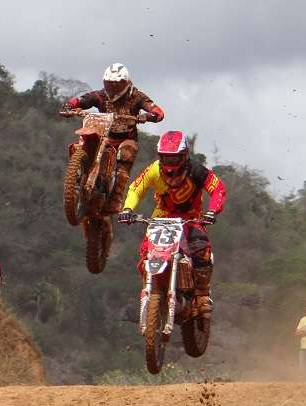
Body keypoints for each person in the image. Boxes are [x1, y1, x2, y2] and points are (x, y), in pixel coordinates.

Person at [118, 130, 226, 329]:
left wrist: (212, 211)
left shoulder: (197, 171)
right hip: (162, 217)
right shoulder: (154, 169)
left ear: (184, 155)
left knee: (201, 248)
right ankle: (153, 288)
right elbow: (136, 188)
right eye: (166, 157)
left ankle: (202, 295)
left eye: (174, 158)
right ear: (160, 156)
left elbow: (217, 188)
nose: (170, 162)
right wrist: (127, 209)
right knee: (147, 252)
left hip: (191, 218)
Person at [61, 63, 165, 213]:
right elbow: (83, 100)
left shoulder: (137, 97)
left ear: (125, 83)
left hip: (126, 138)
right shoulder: (101, 95)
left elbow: (158, 111)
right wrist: (70, 105)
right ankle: (77, 175)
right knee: (82, 144)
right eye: (109, 83)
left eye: (116, 84)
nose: (112, 87)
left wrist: (148, 116)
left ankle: (116, 197)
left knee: (126, 154)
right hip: (104, 135)